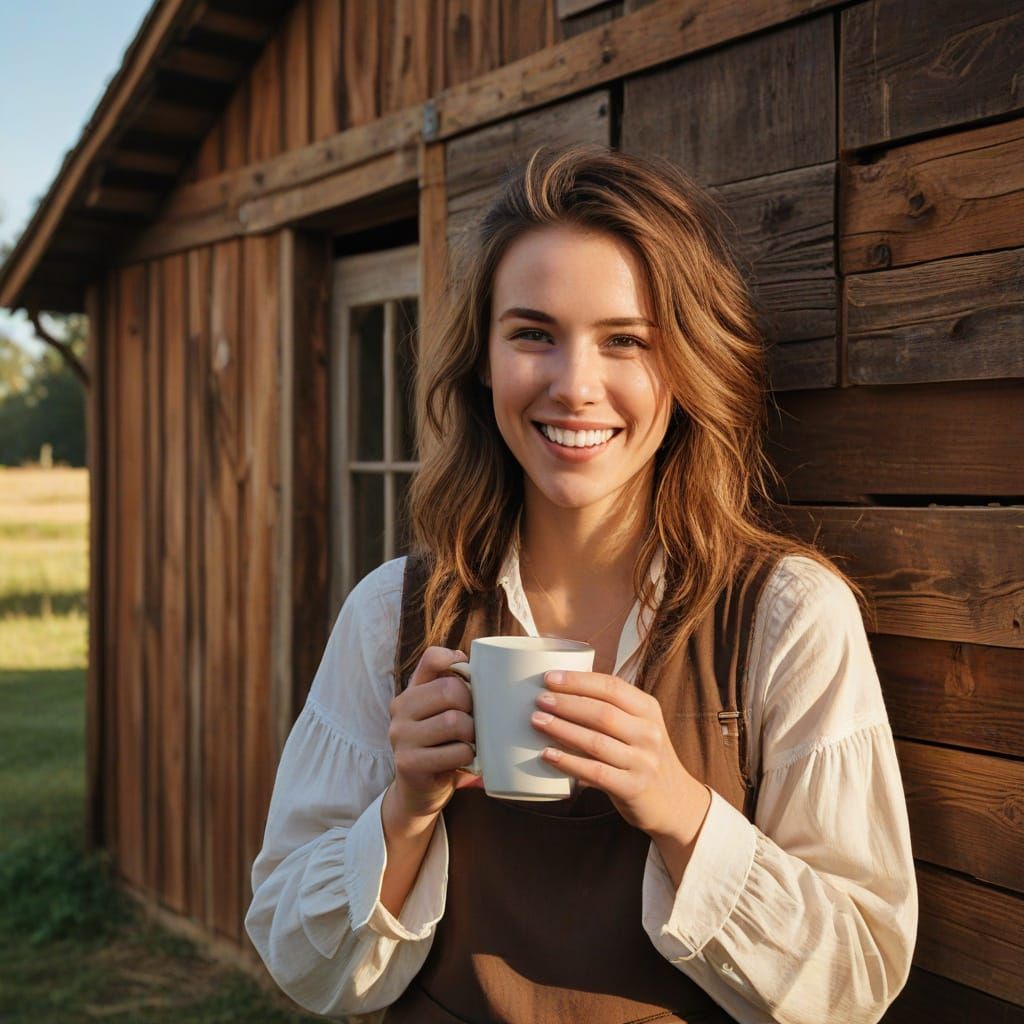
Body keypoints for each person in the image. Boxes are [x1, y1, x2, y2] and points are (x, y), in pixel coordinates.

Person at [245, 144, 917, 1023]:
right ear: (484, 360)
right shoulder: (393, 614)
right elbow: (300, 960)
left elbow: (857, 977)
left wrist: (679, 809)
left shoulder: (786, 617)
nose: (574, 387)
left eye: (625, 341)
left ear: (682, 367)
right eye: (532, 334)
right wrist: (404, 809)